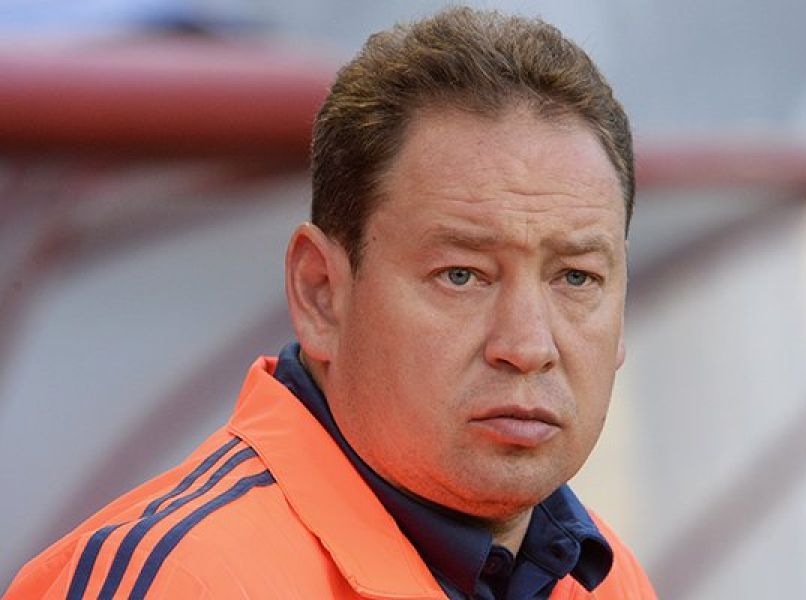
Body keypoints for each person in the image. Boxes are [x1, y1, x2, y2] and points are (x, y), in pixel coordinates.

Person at [6, 6, 655, 599]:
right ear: (320, 294)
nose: (527, 346)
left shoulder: (605, 580)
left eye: (576, 278)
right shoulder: (183, 581)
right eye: (462, 275)